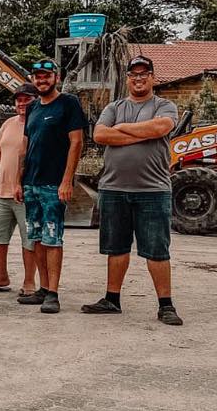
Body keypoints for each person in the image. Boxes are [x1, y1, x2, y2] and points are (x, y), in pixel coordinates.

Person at [82, 55, 183, 325]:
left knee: (157, 250)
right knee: (116, 248)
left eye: (144, 73)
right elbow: (100, 135)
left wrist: (122, 129)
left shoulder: (165, 105)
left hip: (153, 190)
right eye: (133, 74)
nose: (138, 78)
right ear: (127, 78)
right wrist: (142, 132)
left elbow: (161, 127)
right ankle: (111, 300)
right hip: (114, 189)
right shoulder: (114, 106)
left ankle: (166, 305)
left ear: (152, 77)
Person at [16, 59, 88, 315]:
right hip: (31, 185)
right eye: (37, 76)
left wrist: (67, 180)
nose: (41, 80)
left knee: (52, 239)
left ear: (56, 77)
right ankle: (43, 289)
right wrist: (18, 181)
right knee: (35, 238)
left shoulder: (68, 104)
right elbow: (25, 148)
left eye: (46, 76)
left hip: (53, 185)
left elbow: (76, 142)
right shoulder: (33, 107)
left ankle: (54, 293)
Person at [0, 84, 40, 295]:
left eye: (27, 99)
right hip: (1, 192)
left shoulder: (39, 124)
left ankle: (29, 282)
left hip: (26, 193)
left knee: (30, 239)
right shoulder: (8, 123)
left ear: (36, 100)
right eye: (19, 100)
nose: (22, 103)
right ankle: (0, 276)